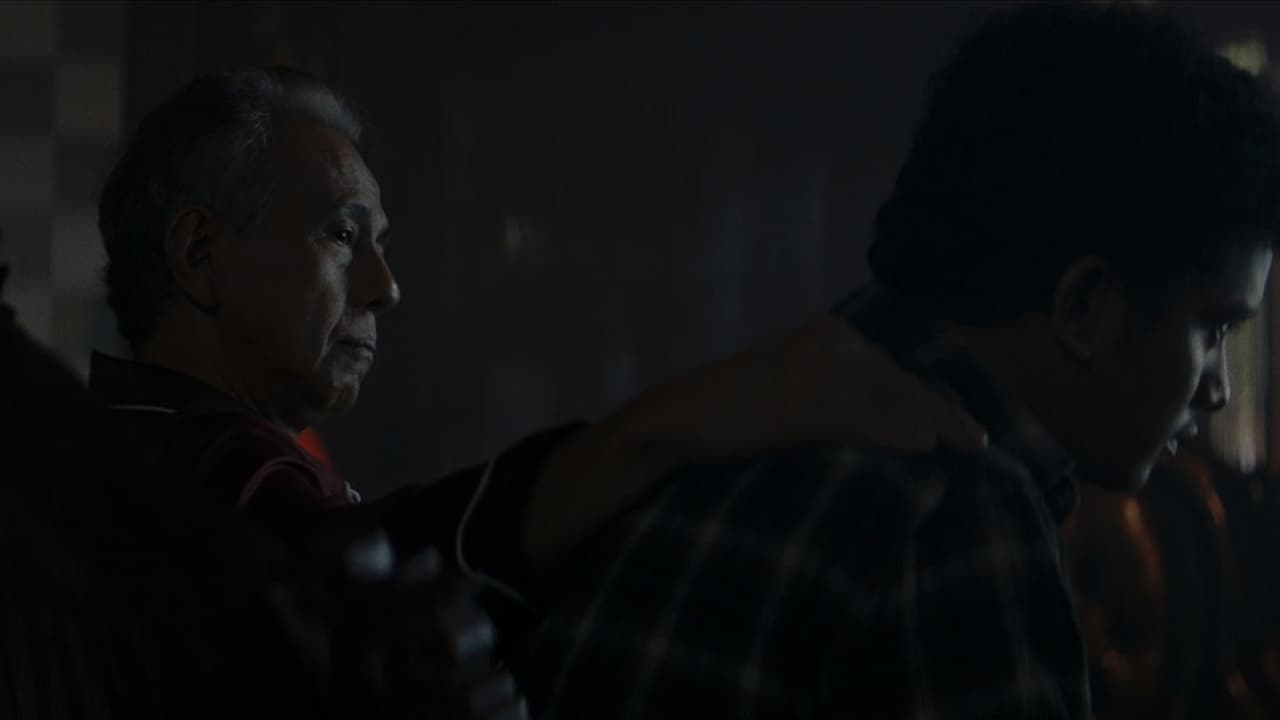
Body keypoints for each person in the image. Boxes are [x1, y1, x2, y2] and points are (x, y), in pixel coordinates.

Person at [88, 67, 985, 714]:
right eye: (340, 235)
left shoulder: (148, 437)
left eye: (380, 244)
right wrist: (659, 432)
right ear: (198, 254)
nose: (385, 287)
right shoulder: (191, 475)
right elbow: (346, 589)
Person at [514, 4, 1280, 718]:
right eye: (1214, 328)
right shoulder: (958, 510)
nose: (1218, 388)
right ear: (1085, 307)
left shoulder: (742, 430)